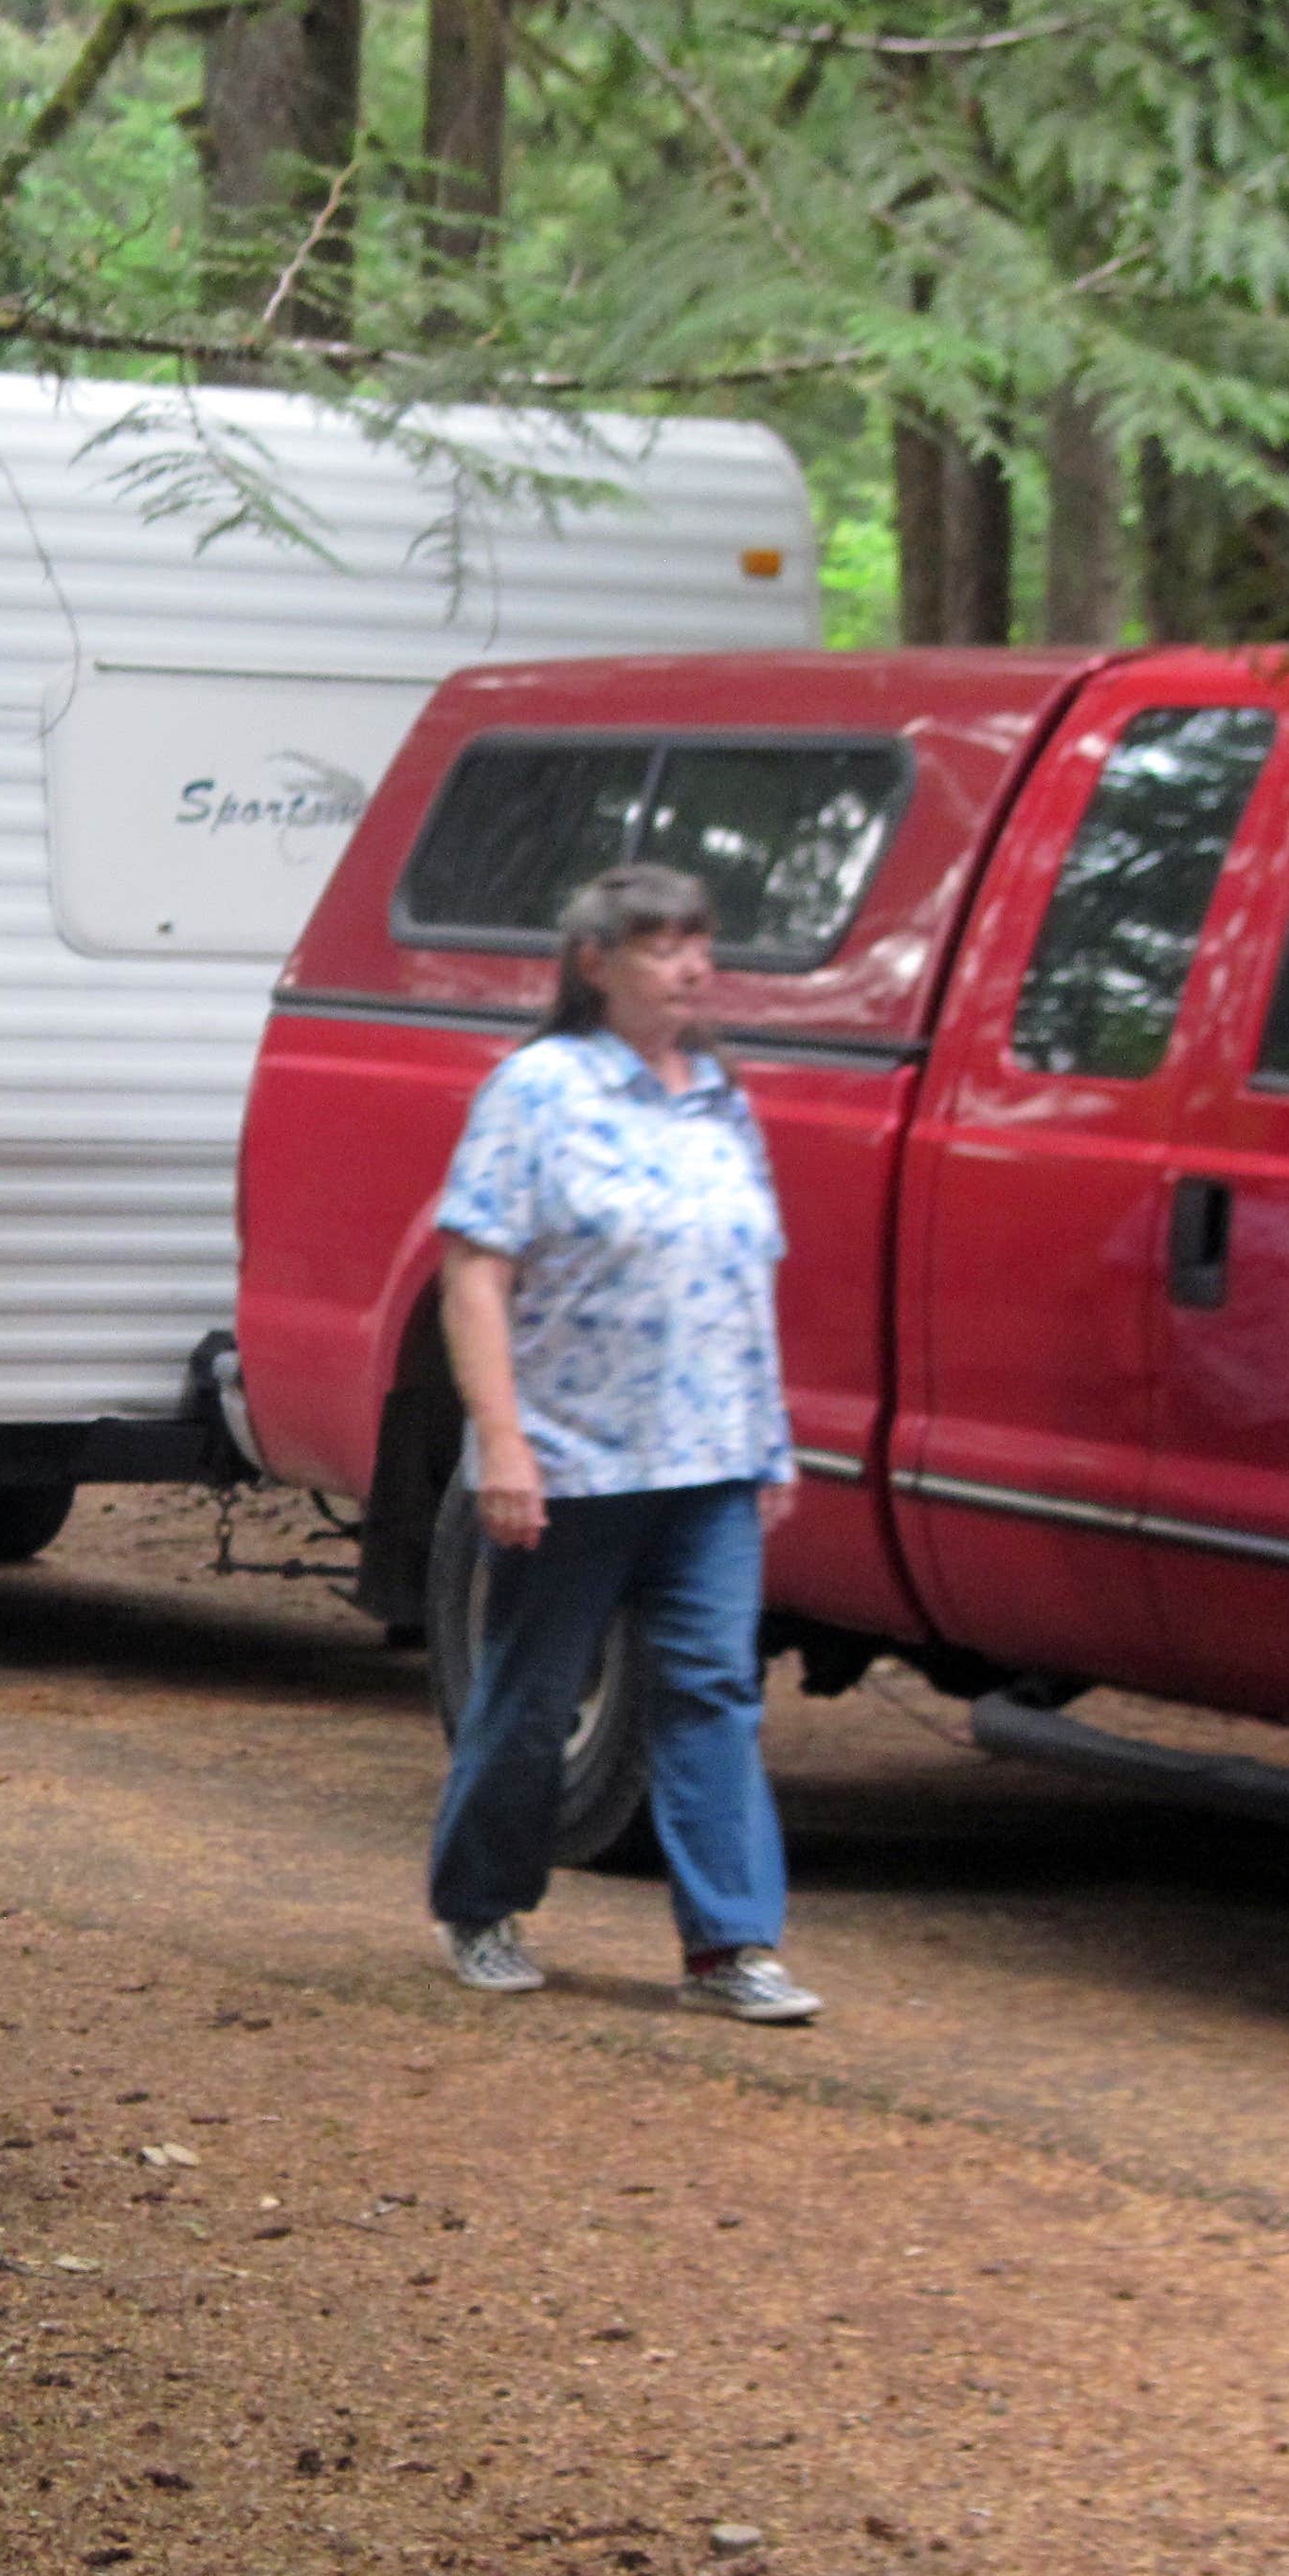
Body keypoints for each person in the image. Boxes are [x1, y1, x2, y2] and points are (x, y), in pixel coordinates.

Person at [424, 863, 823, 2023]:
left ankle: (728, 1947)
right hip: (573, 1461)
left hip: (709, 1460)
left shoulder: (717, 1098)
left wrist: (770, 1439)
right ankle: (481, 1905)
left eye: (699, 943)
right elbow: (474, 1274)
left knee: (714, 1690)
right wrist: (503, 1444)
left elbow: (739, 1277)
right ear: (594, 964)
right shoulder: (537, 1089)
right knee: (533, 1698)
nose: (693, 966)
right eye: (662, 946)